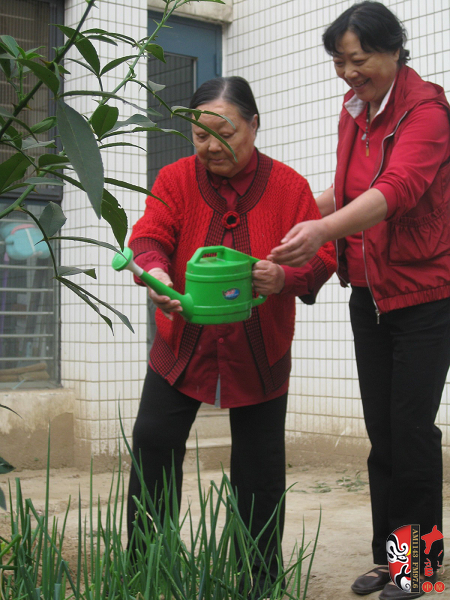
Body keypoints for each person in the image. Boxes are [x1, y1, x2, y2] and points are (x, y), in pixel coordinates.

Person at [126, 76, 336, 596]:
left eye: (225, 132)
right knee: (153, 445)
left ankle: (257, 580)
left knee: (259, 468)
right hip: (181, 347)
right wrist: (158, 275)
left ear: (254, 125)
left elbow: (323, 256)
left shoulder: (289, 188)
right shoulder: (175, 179)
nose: (212, 147)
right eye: (200, 136)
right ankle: (146, 570)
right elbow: (149, 235)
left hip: (260, 352)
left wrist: (283, 277)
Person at [269, 3, 450, 599]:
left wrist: (322, 232)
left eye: (358, 58)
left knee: (411, 429)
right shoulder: (358, 112)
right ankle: (390, 559)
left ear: (395, 48)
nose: (348, 72)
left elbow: (395, 191)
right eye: (339, 62)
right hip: (369, 294)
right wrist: (291, 219)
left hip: (426, 295)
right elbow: (344, 191)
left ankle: (419, 568)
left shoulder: (427, 111)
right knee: (383, 433)